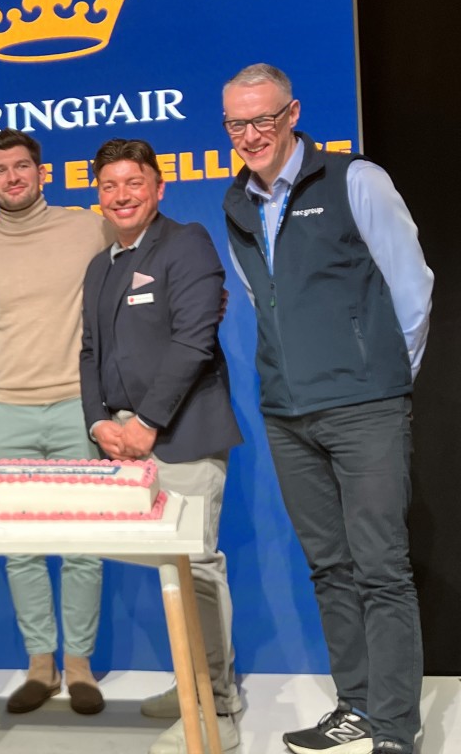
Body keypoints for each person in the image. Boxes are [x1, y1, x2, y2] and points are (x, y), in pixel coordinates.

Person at [221, 63, 433, 754]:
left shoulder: (354, 180)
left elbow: (412, 284)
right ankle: (360, 706)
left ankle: (397, 730)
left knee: (380, 568)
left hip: (365, 407)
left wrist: (383, 376)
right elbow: (263, 301)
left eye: (263, 119)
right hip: (288, 412)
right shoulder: (236, 203)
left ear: (292, 114)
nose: (251, 134)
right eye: (236, 124)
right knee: (330, 568)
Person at [80, 138, 243, 754]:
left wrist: (145, 422)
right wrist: (99, 423)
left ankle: (217, 712)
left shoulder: (187, 243)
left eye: (134, 183)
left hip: (183, 437)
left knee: (197, 569)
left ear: (158, 188)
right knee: (169, 574)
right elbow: (90, 352)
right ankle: (191, 684)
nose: (122, 196)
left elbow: (194, 342)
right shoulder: (101, 265)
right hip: (121, 444)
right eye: (110, 186)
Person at [0, 129, 112, 715]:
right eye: (1, 170)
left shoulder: (87, 227)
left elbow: (140, 271)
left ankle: (80, 667)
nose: (14, 177)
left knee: (82, 545)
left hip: (79, 407)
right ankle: (40, 666)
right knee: (20, 546)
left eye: (23, 166)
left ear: (42, 173)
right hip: (8, 411)